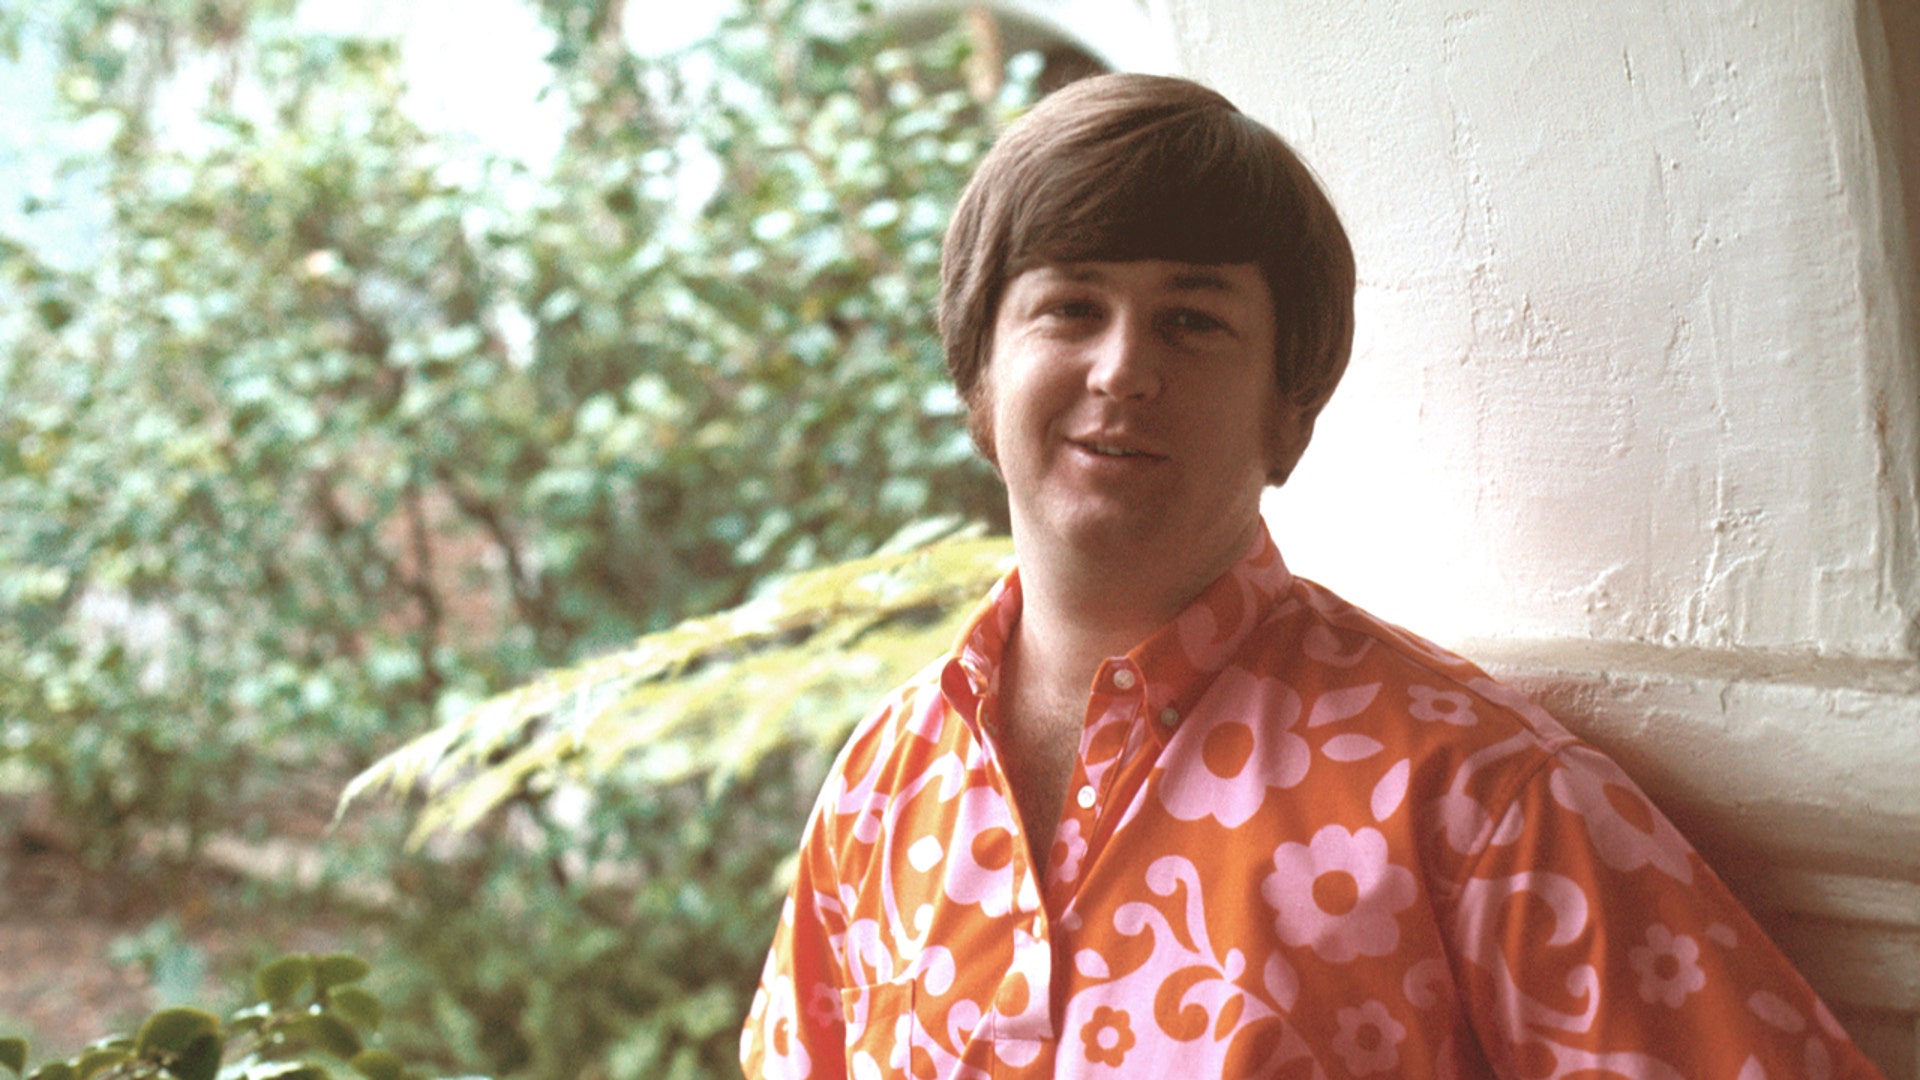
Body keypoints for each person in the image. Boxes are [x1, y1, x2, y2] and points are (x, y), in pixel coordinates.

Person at [739, 72, 1884, 1079]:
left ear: (1291, 410)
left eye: (1192, 321)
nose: (1123, 367)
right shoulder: (879, 794)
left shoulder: (1476, 797)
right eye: (1071, 308)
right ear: (980, 379)